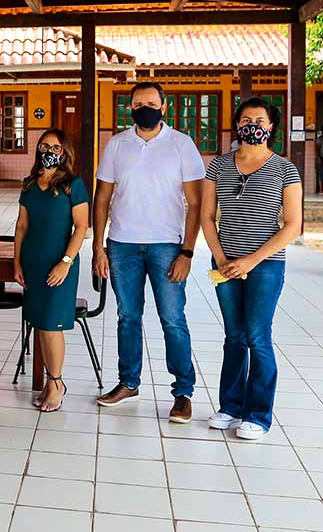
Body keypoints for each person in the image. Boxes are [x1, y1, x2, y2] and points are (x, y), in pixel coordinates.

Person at [93, 82, 205, 423]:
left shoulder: (181, 145)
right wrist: (98, 246)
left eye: (152, 103)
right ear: (130, 108)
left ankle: (182, 392)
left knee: (172, 318)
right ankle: (129, 382)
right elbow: (101, 200)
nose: (145, 108)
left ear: (164, 107)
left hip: (167, 246)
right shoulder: (116, 145)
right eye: (139, 103)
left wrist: (187, 251)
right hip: (122, 245)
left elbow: (197, 203)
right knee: (127, 317)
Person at [201, 97, 302, 440]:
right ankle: (230, 406)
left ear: (271, 127)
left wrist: (250, 260)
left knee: (258, 337)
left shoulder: (285, 169)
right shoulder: (218, 166)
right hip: (225, 264)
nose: (252, 125)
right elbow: (206, 215)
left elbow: (292, 225)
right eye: (246, 119)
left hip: (265, 266)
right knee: (234, 336)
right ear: (237, 124)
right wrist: (219, 257)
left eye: (260, 119)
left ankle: (258, 414)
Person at [13, 129, 89, 412]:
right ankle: (49, 381)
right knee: (40, 324)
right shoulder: (29, 184)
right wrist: (16, 261)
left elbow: (81, 227)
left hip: (60, 264)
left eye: (55, 147)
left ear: (64, 152)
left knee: (52, 325)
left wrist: (66, 262)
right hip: (32, 262)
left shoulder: (73, 184)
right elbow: (22, 226)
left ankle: (57, 383)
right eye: (44, 146)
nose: (49, 151)